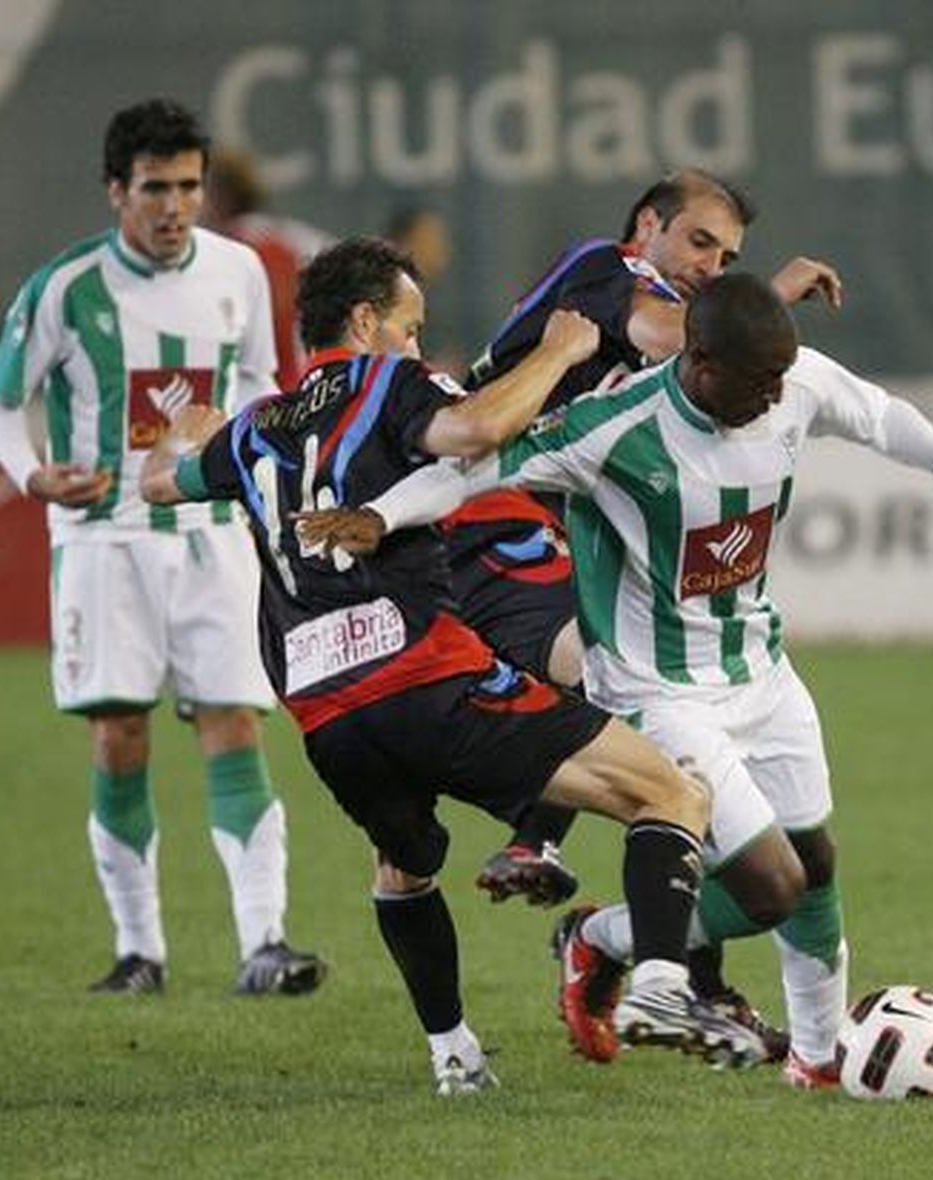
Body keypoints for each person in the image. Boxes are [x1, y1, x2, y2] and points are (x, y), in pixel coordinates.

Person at [295, 273, 933, 1089]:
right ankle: (601, 939)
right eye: (757, 382)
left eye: (783, 379)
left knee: (815, 866)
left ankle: (817, 1063)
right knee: (771, 887)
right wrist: (384, 515)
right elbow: (482, 467)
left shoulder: (788, 382)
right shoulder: (617, 426)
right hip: (657, 693)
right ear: (699, 361)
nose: (777, 396)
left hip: (761, 671)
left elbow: (874, 412)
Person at [138, 237, 769, 1093]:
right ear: (364, 322)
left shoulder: (256, 427)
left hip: (327, 717)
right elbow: (475, 428)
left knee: (404, 866)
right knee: (674, 792)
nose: (415, 344)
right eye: (408, 326)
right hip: (428, 678)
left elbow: (159, 485)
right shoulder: (390, 382)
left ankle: (453, 1056)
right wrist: (557, 352)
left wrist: (180, 436)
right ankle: (657, 985)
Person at [450, 168, 844, 1055]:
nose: (712, 264)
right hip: (495, 528)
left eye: (729, 256)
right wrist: (764, 303)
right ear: (646, 227)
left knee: (681, 734)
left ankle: (684, 972)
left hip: (557, 524)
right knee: (613, 675)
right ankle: (540, 845)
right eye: (700, 242)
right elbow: (662, 335)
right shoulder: (603, 270)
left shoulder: (677, 332)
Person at [0, 98, 324, 998]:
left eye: (189, 188)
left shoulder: (240, 271)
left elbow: (259, 381)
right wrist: (32, 475)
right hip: (106, 539)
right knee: (119, 735)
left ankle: (265, 943)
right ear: (115, 192)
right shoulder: (66, 287)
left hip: (210, 534)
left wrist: (248, 449)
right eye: (156, 189)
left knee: (233, 724)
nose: (176, 208)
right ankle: (141, 952)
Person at [202, 147, 334, 391]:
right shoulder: (299, 241)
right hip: (306, 391)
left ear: (219, 196)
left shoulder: (218, 254)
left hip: (247, 400)